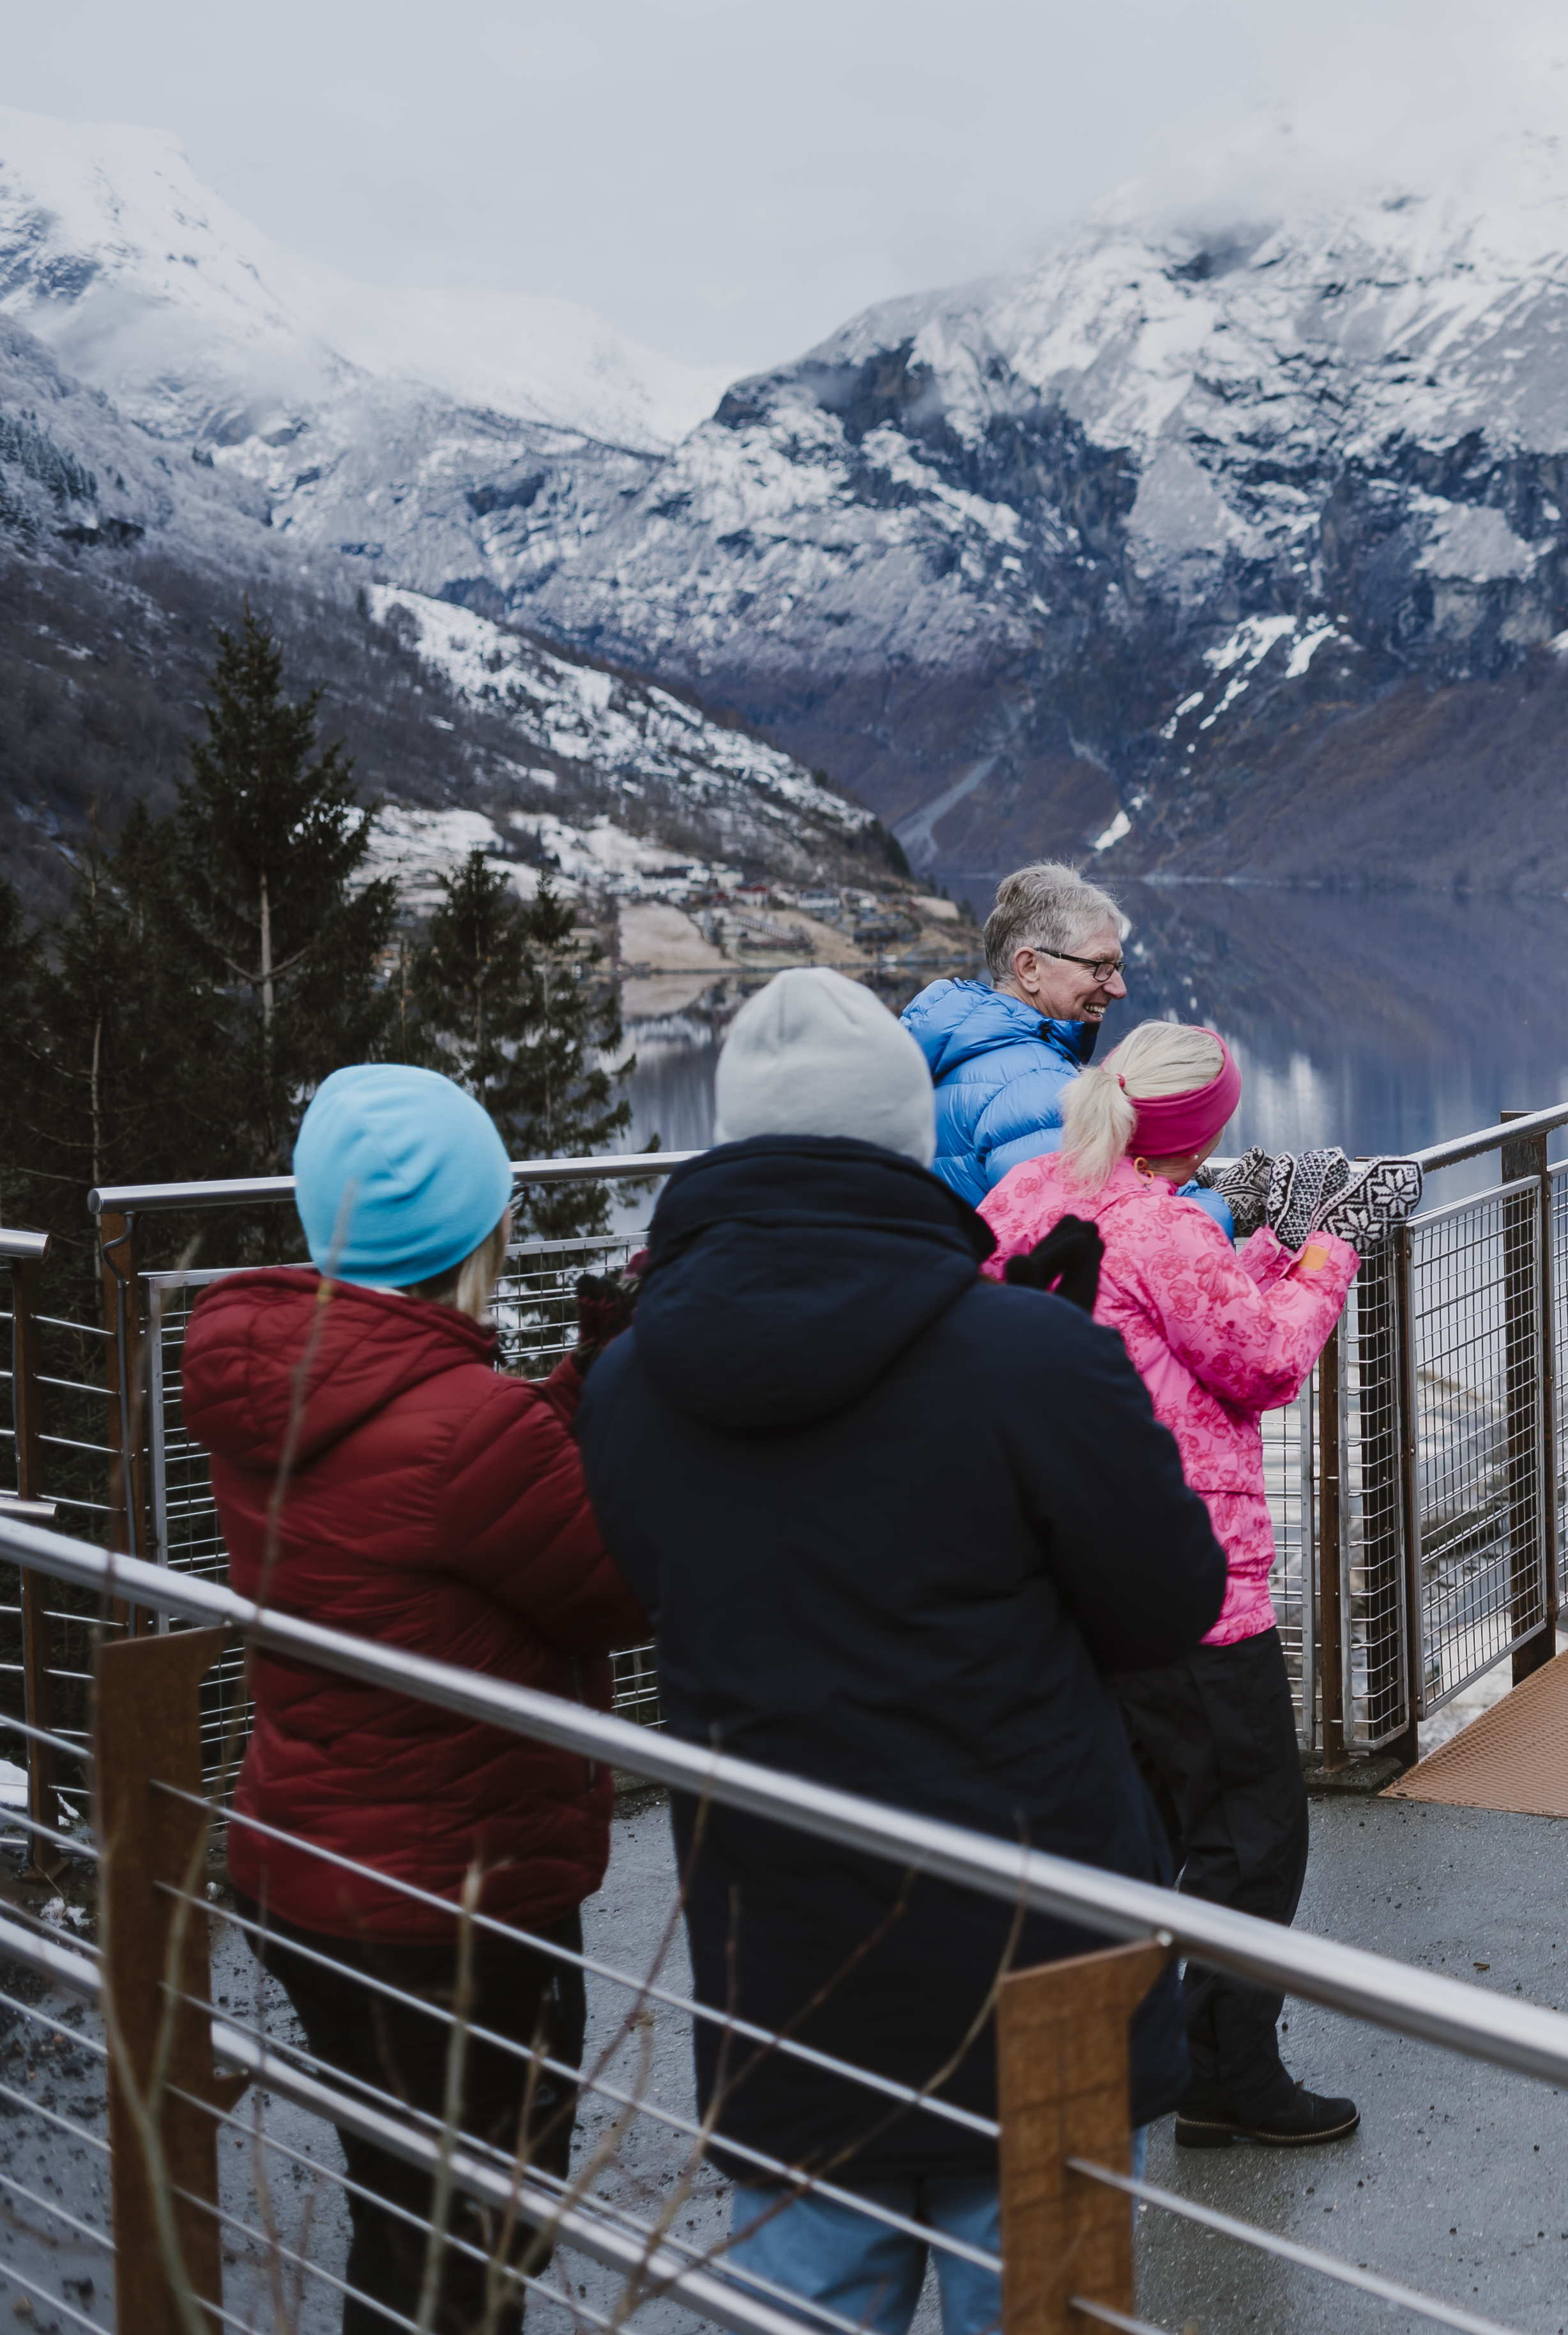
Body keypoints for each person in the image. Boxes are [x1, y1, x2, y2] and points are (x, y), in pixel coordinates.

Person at [579, 968, 1227, 2335]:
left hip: (782, 1955)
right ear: (905, 1141)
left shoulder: (630, 1379)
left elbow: (654, 1588)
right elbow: (1169, 1601)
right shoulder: (1025, 1354)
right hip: (1031, 1944)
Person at [181, 1065, 651, 2335]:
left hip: (313, 1858)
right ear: (484, 1227)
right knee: (474, 2238)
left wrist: (572, 1385)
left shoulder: (275, 1379)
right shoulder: (467, 1428)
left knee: (404, 2203)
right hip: (454, 1892)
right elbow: (616, 1586)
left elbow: (456, 1485)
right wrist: (624, 1401)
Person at [975, 1020, 1363, 2147]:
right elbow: (1262, 1359)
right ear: (1202, 1132)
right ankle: (1225, 2069)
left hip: (1069, 1570)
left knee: (1136, 1815)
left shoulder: (1033, 1197)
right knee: (1251, 1830)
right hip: (1192, 1571)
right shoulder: (1162, 1228)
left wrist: (1252, 1247)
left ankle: (1139, 2049)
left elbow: (1163, 1322)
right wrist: (1324, 1256)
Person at [902, 862, 1239, 1236]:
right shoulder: (1038, 1090)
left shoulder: (960, 1043)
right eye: (1099, 966)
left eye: (1117, 967)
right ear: (1030, 967)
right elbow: (1118, 1246)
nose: (1118, 988)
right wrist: (1208, 1203)